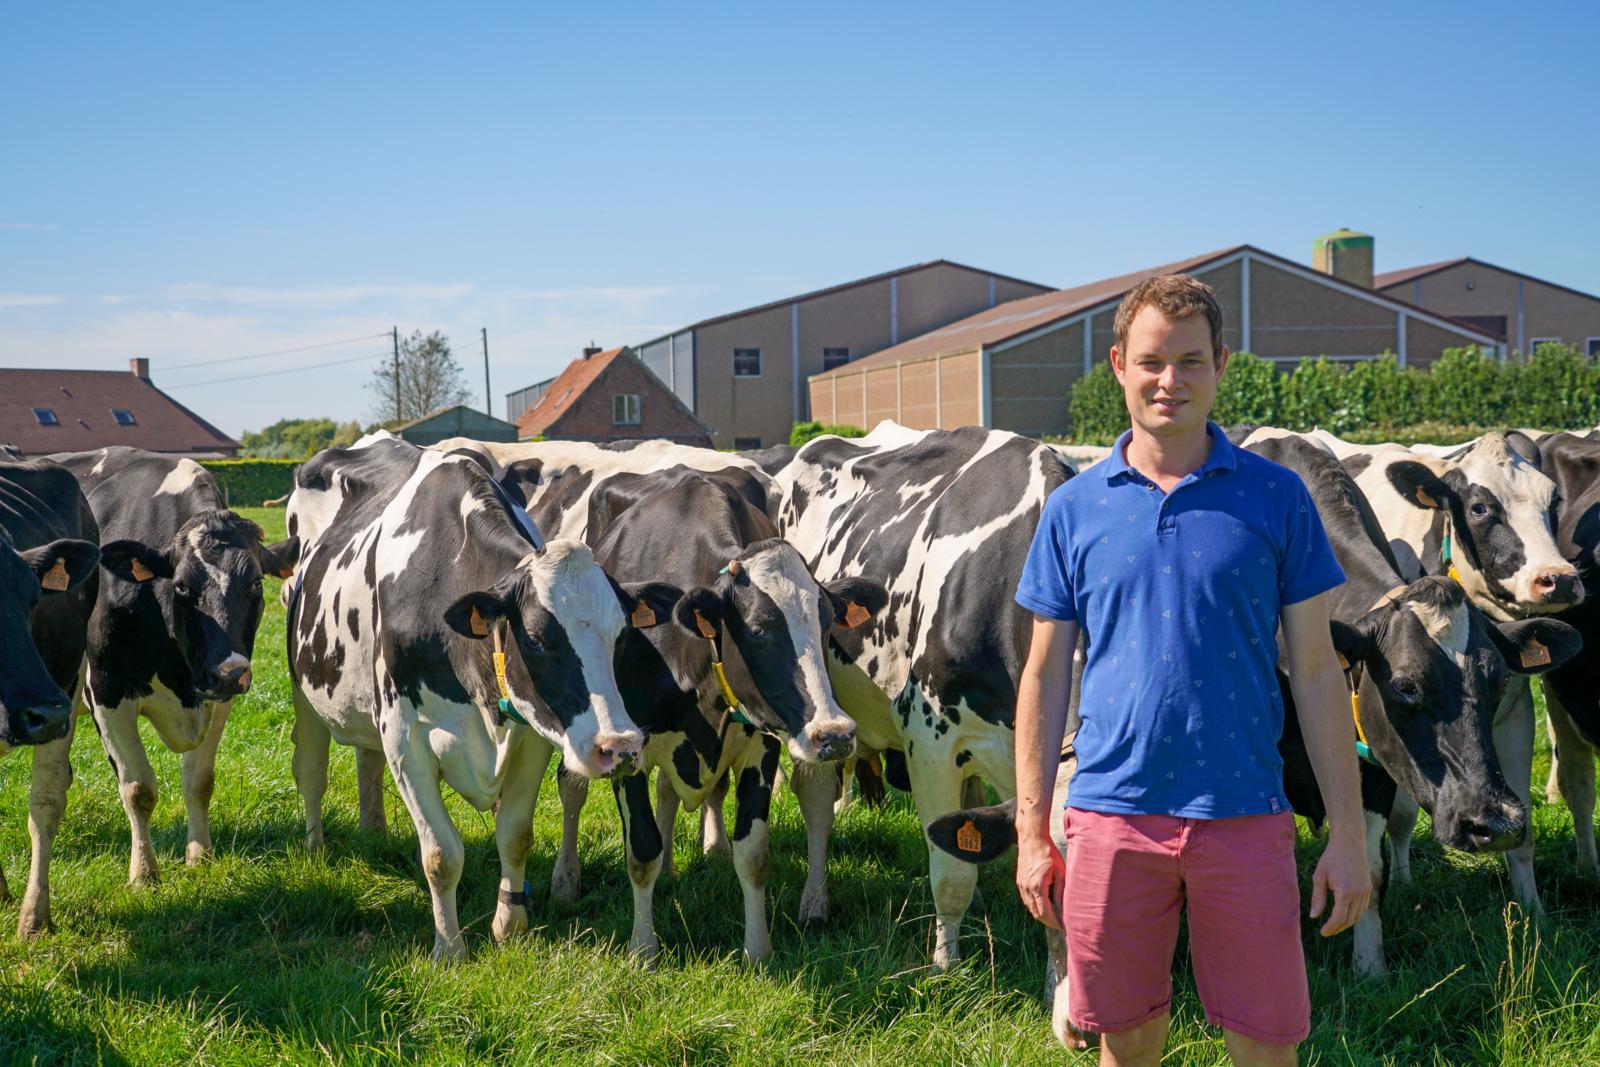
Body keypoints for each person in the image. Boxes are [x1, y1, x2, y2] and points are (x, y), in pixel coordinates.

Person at [1012, 274, 1372, 1067]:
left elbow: (1315, 672)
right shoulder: (1074, 508)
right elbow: (1042, 676)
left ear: (1220, 364)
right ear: (1117, 365)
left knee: (1267, 1047)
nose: (1168, 379)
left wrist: (1348, 833)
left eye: (1189, 360)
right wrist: (1032, 828)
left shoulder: (1277, 497)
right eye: (1150, 361)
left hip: (1245, 813)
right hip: (1111, 816)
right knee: (1125, 1044)